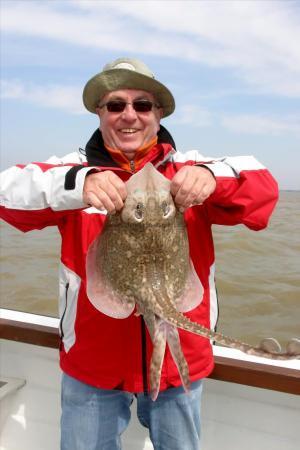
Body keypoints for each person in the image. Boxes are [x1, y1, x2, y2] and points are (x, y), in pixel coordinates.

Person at [0, 57, 278, 450]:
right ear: (100, 112)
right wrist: (79, 186)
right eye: (115, 105)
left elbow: (264, 192)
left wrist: (213, 179)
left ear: (158, 113)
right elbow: (6, 192)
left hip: (179, 363)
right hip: (93, 364)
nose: (129, 115)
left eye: (142, 105)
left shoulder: (191, 169)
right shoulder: (72, 172)